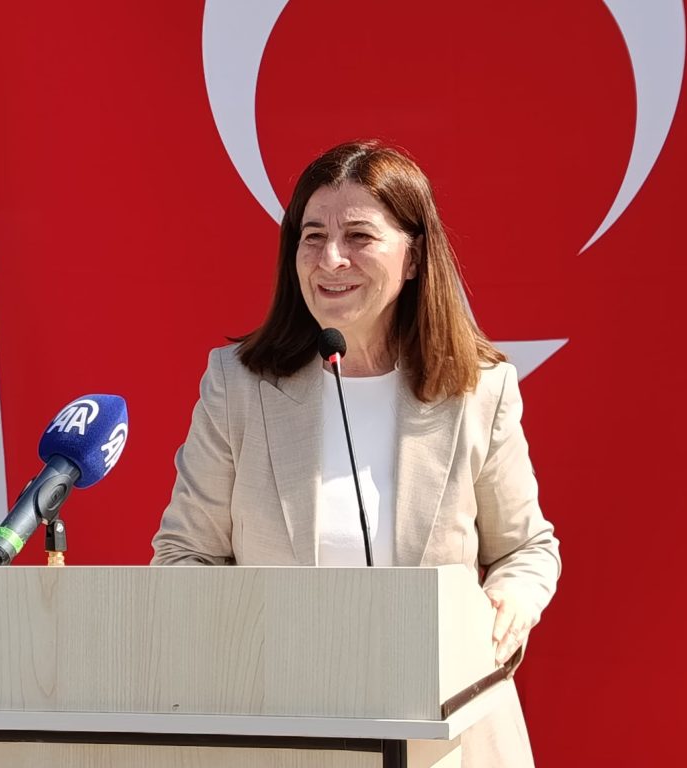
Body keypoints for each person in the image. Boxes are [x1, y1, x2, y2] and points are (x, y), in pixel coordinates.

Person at [151, 140, 560, 767]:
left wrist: (509, 606)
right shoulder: (238, 385)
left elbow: (525, 549)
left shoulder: (478, 389)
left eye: (359, 236)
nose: (331, 259)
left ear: (414, 256)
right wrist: (244, 651)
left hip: (449, 734)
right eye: (312, 236)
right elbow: (185, 555)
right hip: (281, 733)